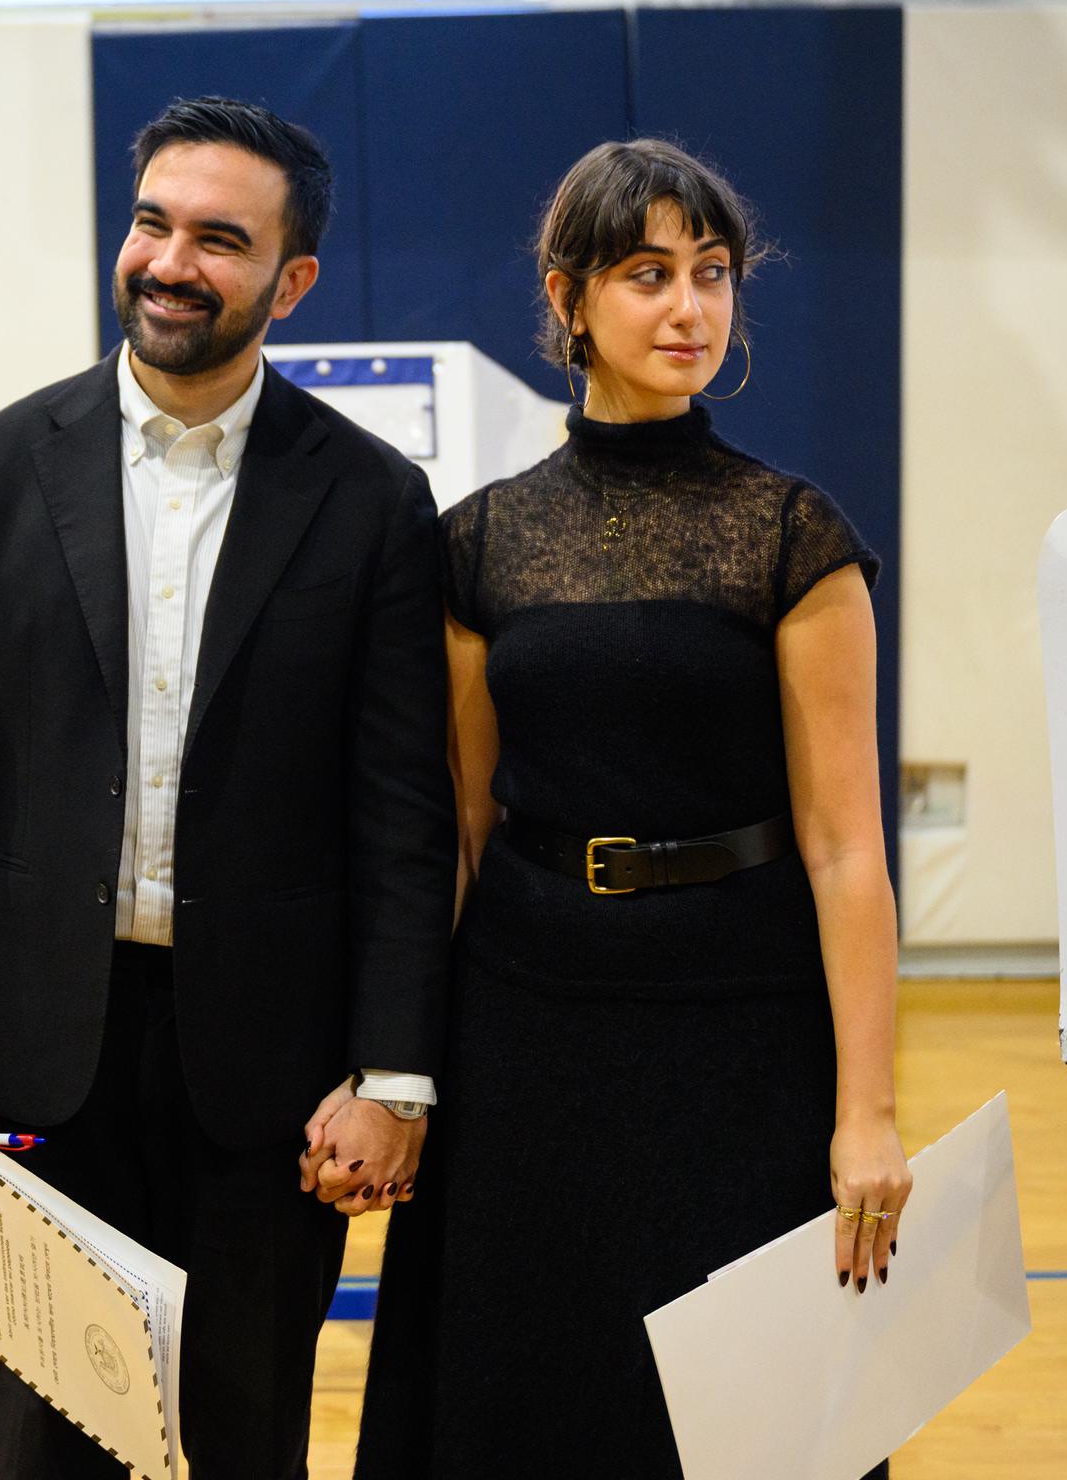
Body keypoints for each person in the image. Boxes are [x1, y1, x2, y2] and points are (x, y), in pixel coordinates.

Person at [0, 95, 454, 1480]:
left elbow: (401, 816)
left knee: (245, 1443)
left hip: (269, 1079)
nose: (170, 261)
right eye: (151, 223)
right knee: (49, 1451)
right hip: (41, 1063)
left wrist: (396, 1073)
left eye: (219, 238)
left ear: (291, 280)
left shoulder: (373, 499)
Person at [353, 139, 910, 1479]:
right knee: (526, 1394)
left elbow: (845, 851)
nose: (690, 311)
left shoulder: (796, 536)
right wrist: (404, 1075)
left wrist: (868, 1111)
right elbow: (462, 832)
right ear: (570, 299)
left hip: (740, 1029)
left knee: (746, 1418)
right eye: (648, 275)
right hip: (528, 1027)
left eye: (711, 276)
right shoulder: (481, 541)